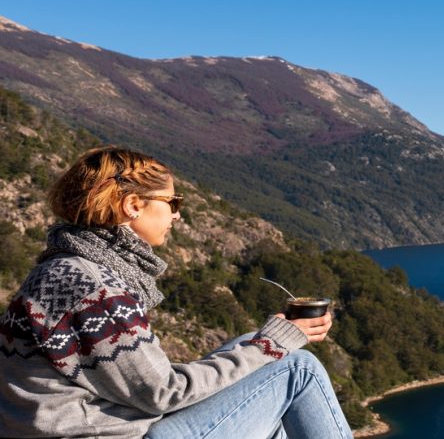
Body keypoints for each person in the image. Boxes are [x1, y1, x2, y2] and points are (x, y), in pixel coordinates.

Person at [0, 146, 353, 439]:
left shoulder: (61, 268)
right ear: (134, 205)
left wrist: (263, 346)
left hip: (65, 427)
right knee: (297, 368)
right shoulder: (95, 289)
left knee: (254, 348)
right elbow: (162, 393)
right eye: (172, 202)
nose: (177, 215)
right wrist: (272, 345)